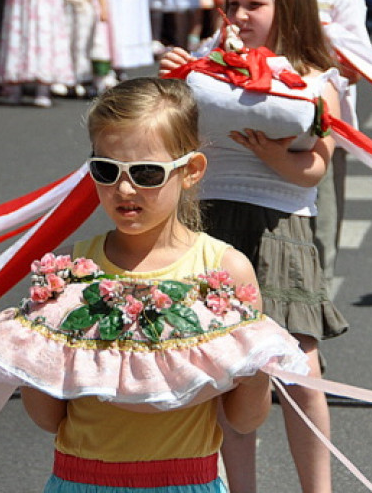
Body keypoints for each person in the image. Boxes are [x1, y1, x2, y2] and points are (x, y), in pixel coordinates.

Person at [19, 76, 272, 492]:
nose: (123, 188)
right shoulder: (69, 272)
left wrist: (259, 361)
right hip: (82, 481)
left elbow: (244, 418)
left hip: (184, 482)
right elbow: (48, 418)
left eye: (146, 172)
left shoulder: (223, 271)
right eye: (105, 169)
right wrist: (34, 351)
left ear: (190, 171)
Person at [160, 0, 348, 493]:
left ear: (288, 7)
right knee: (229, 373)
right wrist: (170, 78)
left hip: (281, 227)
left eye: (254, 4)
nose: (238, 16)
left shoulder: (317, 76)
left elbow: (315, 167)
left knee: (299, 369)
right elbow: (167, 131)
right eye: (232, 2)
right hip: (210, 225)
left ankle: (319, 489)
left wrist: (267, 152)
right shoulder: (205, 61)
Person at [249, 0, 372, 284]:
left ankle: (316, 305)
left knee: (321, 223)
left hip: (324, 130)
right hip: (265, 119)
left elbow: (357, 67)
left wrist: (313, 43)